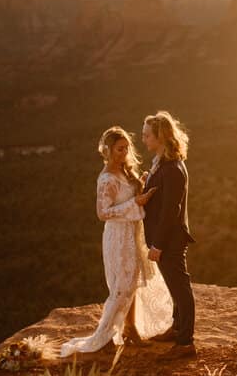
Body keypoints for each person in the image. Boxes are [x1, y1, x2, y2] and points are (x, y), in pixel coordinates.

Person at [59, 127, 174, 357]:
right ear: (108, 150)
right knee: (121, 286)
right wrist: (137, 203)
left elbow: (130, 197)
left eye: (126, 148)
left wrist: (140, 186)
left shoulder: (125, 171)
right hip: (117, 237)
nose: (124, 153)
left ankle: (130, 329)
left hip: (133, 233)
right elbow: (103, 213)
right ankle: (107, 335)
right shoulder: (106, 178)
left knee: (132, 283)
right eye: (119, 149)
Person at [141, 111, 197, 359]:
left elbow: (169, 212)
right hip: (166, 238)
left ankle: (185, 342)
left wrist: (158, 244)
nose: (143, 140)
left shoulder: (172, 168)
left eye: (147, 135)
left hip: (171, 240)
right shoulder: (162, 163)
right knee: (175, 288)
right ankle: (176, 329)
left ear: (160, 138)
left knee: (181, 289)